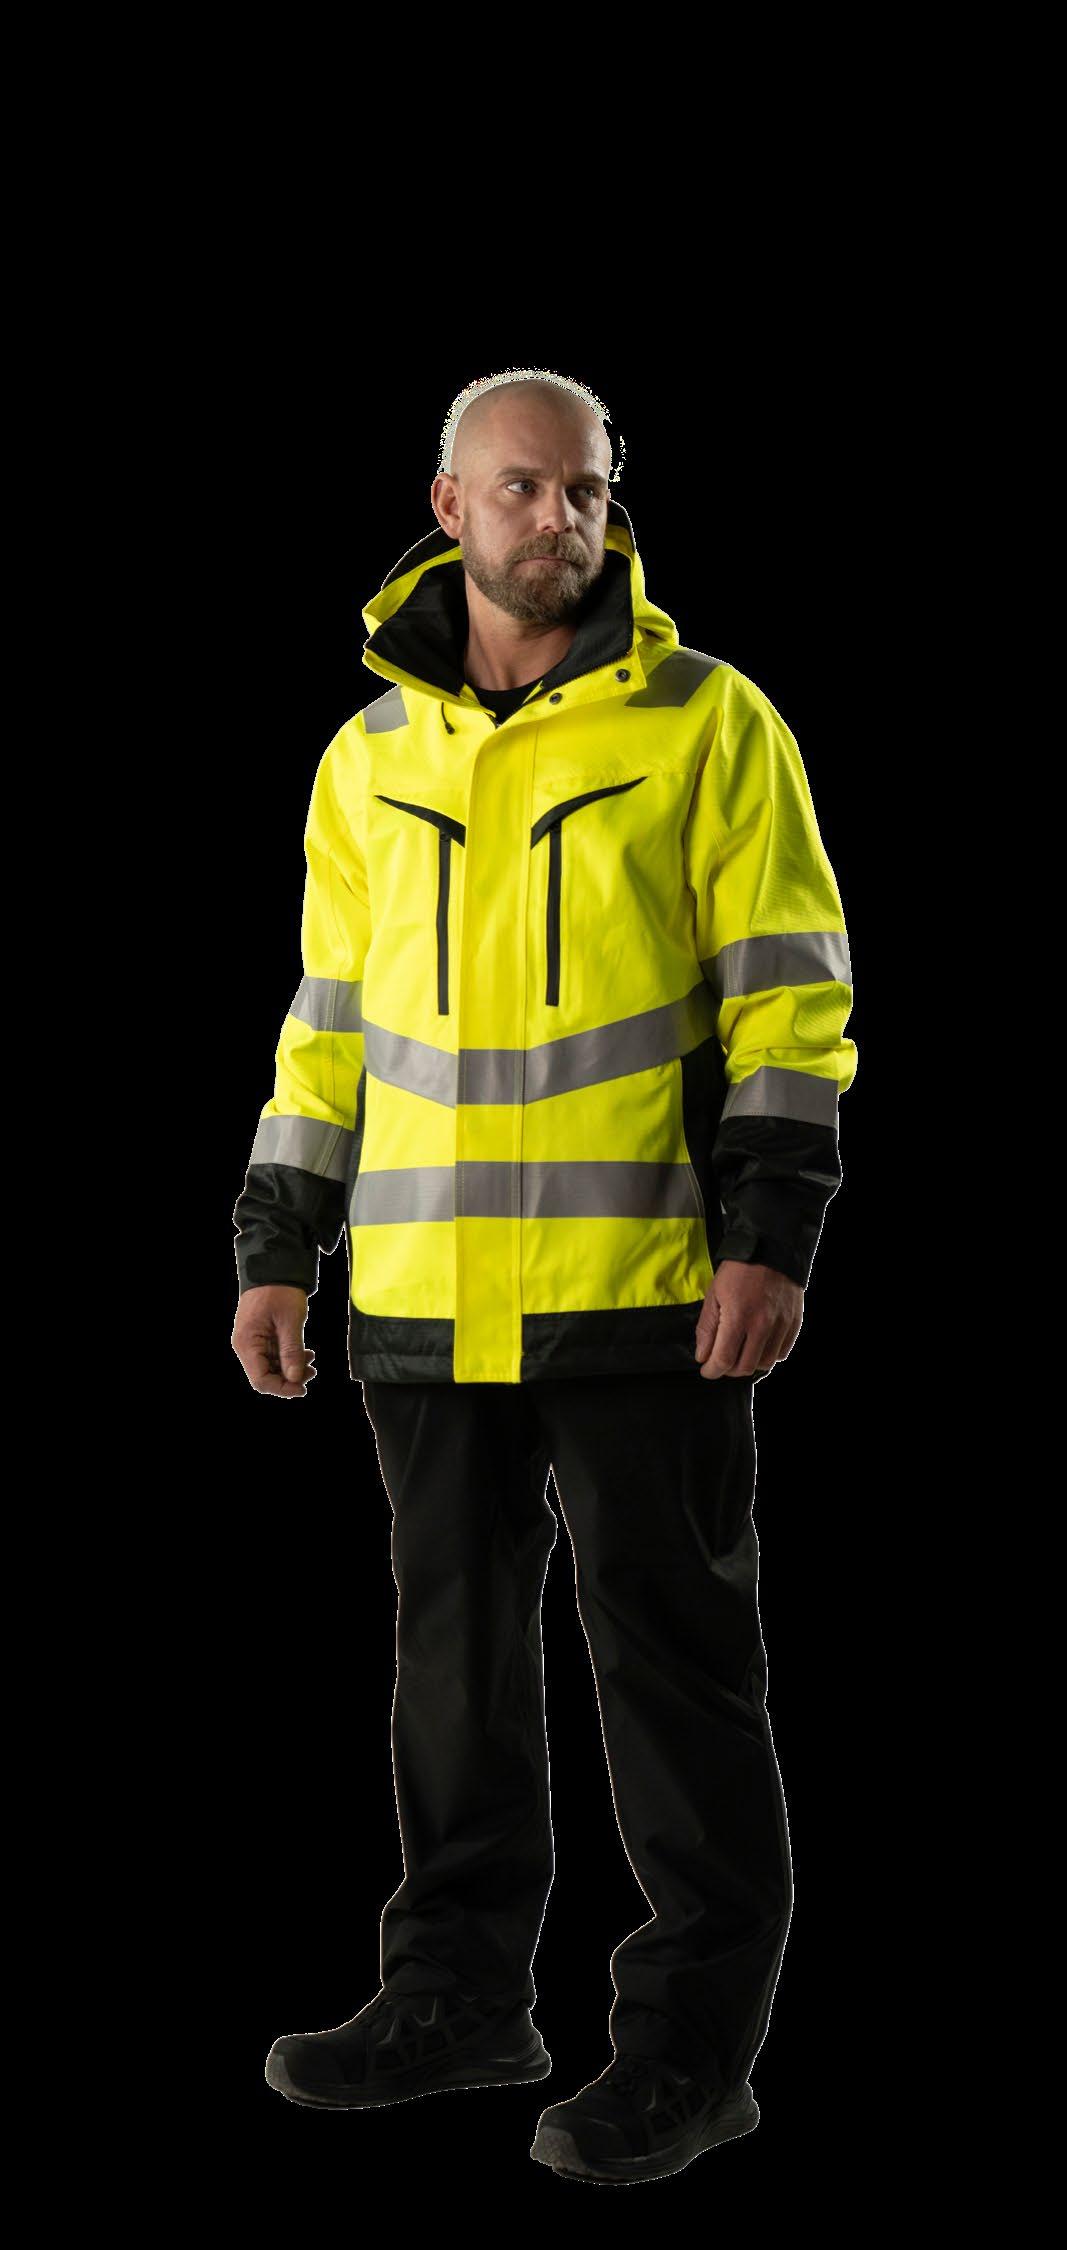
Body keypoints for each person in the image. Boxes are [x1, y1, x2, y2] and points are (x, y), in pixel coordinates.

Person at [232, 367, 858, 2184]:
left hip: (641, 1281)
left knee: (670, 1669)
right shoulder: (369, 757)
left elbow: (791, 1002)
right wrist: (278, 1245)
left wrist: (769, 1236)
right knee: (449, 1670)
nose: (558, 519)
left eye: (584, 488)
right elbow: (324, 1029)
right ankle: (454, 1997)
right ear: (449, 505)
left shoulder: (708, 721)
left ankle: (690, 2049)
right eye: (521, 488)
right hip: (422, 1293)